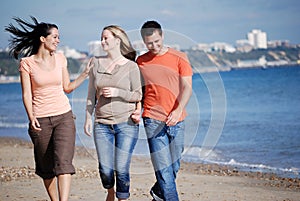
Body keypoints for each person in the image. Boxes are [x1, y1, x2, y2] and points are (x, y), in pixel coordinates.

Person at [5, 16, 92, 201]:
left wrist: (84, 74)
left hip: (64, 116)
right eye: (55, 37)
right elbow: (27, 94)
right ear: (43, 39)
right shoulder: (27, 63)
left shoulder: (61, 59)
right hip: (41, 119)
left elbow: (67, 87)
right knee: (46, 168)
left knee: (64, 163)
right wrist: (31, 117)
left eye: (59, 37)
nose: (58, 41)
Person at [135, 20, 193, 201]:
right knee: (164, 168)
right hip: (152, 119)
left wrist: (178, 110)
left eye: (156, 41)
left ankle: (158, 194)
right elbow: (138, 90)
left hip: (177, 118)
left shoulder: (179, 57)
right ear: (144, 42)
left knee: (174, 166)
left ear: (162, 36)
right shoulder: (141, 61)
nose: (153, 46)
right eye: (149, 43)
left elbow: (187, 88)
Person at [84, 25, 142, 201]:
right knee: (105, 169)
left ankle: (122, 198)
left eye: (106, 38)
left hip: (126, 124)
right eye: (101, 38)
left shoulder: (131, 66)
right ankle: (110, 191)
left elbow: (138, 95)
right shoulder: (96, 64)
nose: (102, 42)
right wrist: (88, 117)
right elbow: (90, 96)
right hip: (102, 124)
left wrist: (118, 93)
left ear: (117, 41)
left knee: (122, 167)